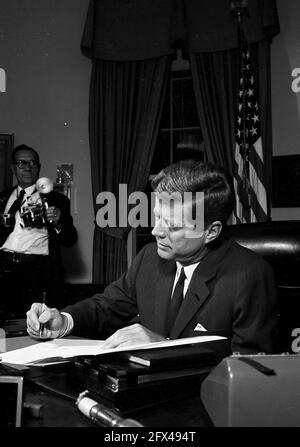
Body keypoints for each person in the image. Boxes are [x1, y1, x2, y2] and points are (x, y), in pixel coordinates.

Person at [26, 160, 278, 354]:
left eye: (173, 226)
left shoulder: (249, 275)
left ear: (210, 232)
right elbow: (107, 306)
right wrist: (64, 322)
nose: (156, 231)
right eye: (157, 217)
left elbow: (248, 372)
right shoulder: (149, 257)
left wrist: (166, 348)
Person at [0, 144, 77, 319]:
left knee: (36, 325)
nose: (28, 167)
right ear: (13, 168)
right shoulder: (2, 198)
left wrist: (58, 222)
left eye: (33, 163)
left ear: (39, 168)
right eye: (21, 163)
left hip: (38, 273)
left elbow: (70, 239)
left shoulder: (57, 200)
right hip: (4, 271)